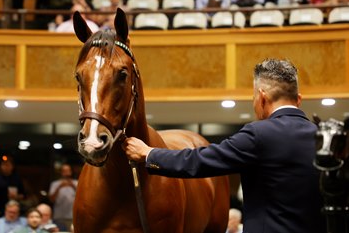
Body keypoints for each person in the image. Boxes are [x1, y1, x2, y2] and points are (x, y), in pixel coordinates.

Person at [124, 58, 326, 233]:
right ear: (298, 100)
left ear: (262, 97)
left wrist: (149, 154)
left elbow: (199, 161)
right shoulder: (324, 137)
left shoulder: (258, 134)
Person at [48, 164, 77, 230]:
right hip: (59, 216)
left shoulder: (76, 183)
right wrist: (59, 187)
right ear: (61, 172)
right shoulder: (55, 184)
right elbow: (51, 200)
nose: (66, 173)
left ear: (71, 172)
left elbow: (82, 199)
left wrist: (73, 186)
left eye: (68, 170)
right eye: (64, 171)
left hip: (73, 217)